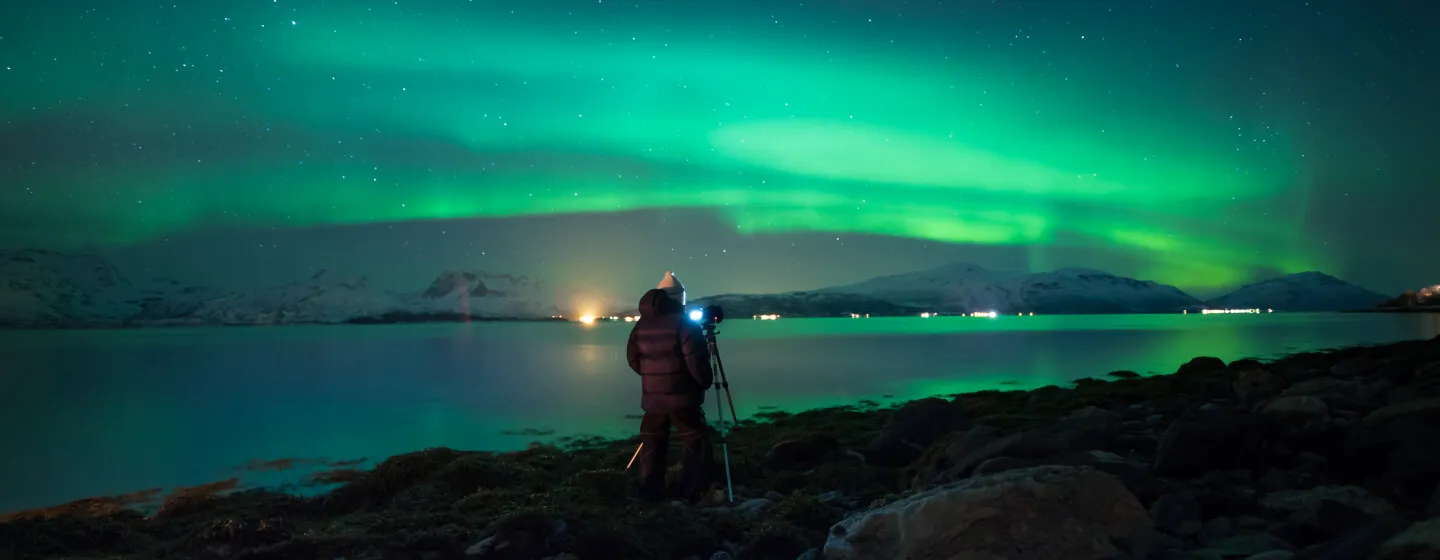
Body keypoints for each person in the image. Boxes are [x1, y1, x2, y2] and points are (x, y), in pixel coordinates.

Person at [626, 271, 717, 503]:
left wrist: (653, 377)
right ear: (678, 299)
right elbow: (697, 363)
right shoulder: (684, 325)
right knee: (695, 443)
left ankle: (649, 495)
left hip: (653, 400)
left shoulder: (641, 325)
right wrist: (703, 383)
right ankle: (694, 492)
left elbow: (633, 360)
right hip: (682, 399)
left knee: (652, 445)